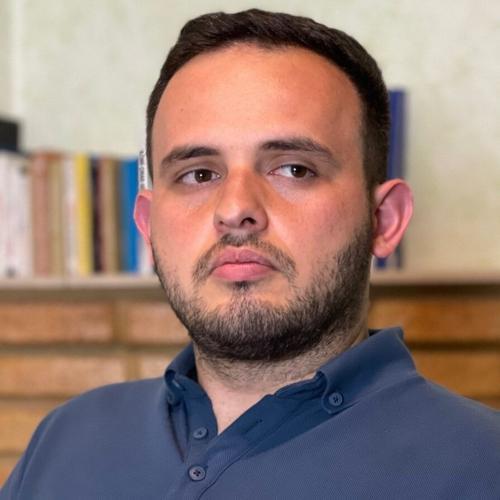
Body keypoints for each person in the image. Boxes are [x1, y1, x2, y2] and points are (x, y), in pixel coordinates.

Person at [2, 9, 499, 500]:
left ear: (384, 220)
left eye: (294, 169)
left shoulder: (483, 467)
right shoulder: (63, 440)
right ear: (149, 226)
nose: (235, 209)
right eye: (199, 174)